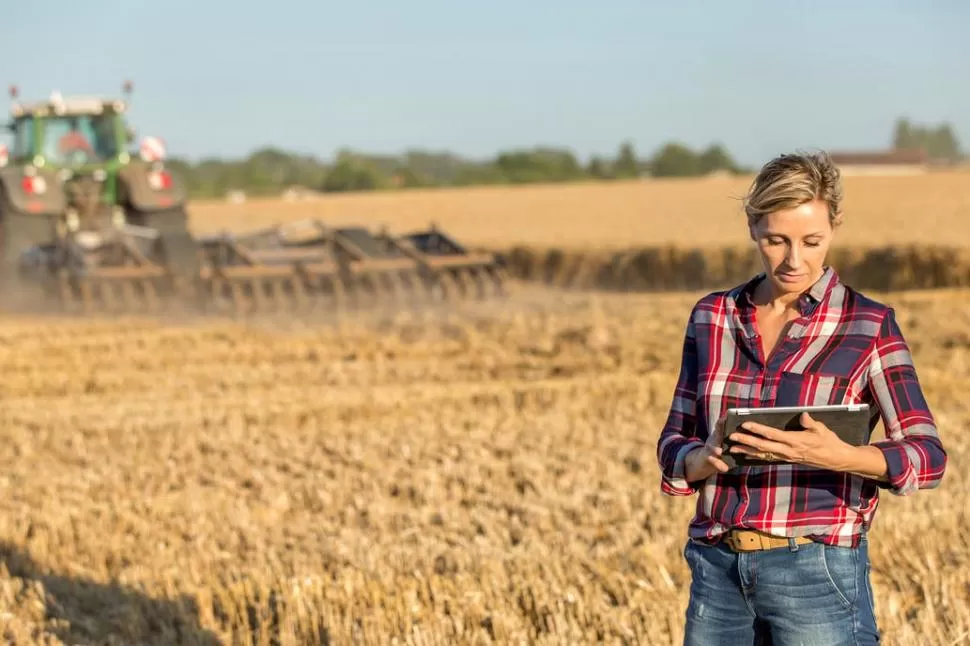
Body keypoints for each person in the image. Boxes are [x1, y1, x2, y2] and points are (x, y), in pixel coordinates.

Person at [656, 150, 947, 646]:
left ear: (833, 228)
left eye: (811, 241)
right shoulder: (712, 317)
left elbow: (928, 454)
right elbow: (672, 442)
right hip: (716, 567)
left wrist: (845, 457)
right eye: (776, 240)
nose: (794, 260)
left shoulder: (869, 325)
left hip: (816, 570)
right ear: (752, 227)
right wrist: (698, 460)